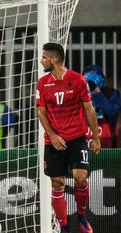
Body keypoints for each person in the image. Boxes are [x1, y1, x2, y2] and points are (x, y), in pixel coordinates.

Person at [36, 42, 100, 233]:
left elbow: (89, 109)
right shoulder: (42, 83)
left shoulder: (78, 80)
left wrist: (95, 137)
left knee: (80, 178)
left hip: (77, 138)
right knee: (58, 183)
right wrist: (52, 134)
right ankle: (63, 228)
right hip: (53, 141)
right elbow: (41, 112)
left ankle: (81, 217)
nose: (41, 61)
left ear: (54, 59)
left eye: (44, 57)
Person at [82, 65, 121, 147]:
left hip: (109, 139)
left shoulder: (111, 93)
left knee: (108, 159)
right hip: (85, 139)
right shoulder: (80, 95)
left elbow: (112, 112)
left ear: (102, 79)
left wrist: (98, 94)